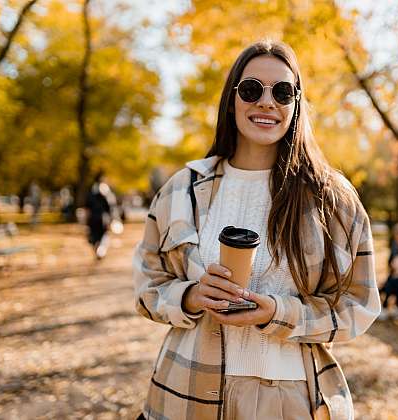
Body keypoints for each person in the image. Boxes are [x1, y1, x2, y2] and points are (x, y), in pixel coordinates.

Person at [133, 40, 381, 420]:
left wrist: (277, 314)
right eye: (252, 90)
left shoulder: (332, 198)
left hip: (288, 397)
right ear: (231, 99)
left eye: (282, 92)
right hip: (185, 387)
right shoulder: (182, 189)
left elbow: (358, 305)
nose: (267, 102)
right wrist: (191, 296)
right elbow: (148, 286)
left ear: (296, 105)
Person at [378, 222, 398, 321]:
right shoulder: (395, 244)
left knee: (390, 286)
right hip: (395, 273)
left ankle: (386, 308)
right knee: (390, 285)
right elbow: (391, 260)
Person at [85, 173, 117, 259]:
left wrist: (86, 220)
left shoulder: (90, 193)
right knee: (103, 235)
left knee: (95, 237)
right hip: (102, 219)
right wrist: (111, 219)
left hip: (93, 219)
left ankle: (98, 250)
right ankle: (100, 251)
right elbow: (110, 208)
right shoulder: (106, 193)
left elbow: (87, 209)